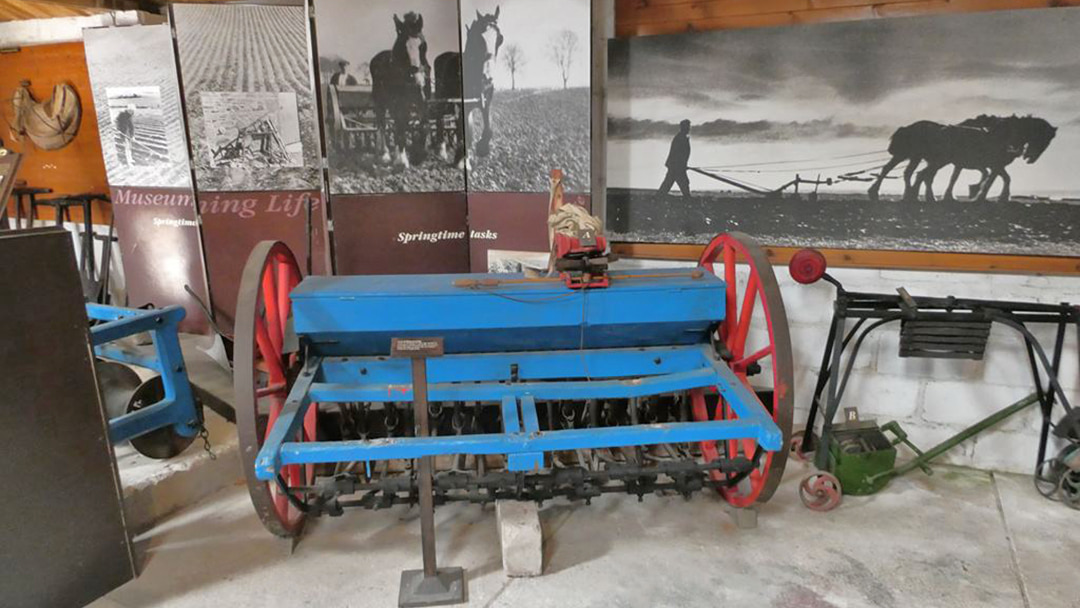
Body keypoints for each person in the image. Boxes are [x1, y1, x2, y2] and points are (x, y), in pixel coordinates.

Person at [657, 119, 692, 197]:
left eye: (689, 127)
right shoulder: (680, 138)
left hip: (675, 166)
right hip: (676, 166)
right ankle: (687, 197)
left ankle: (658, 197)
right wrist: (682, 165)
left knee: (669, 183)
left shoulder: (681, 137)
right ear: (683, 127)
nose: (689, 129)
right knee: (683, 182)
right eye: (688, 127)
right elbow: (677, 154)